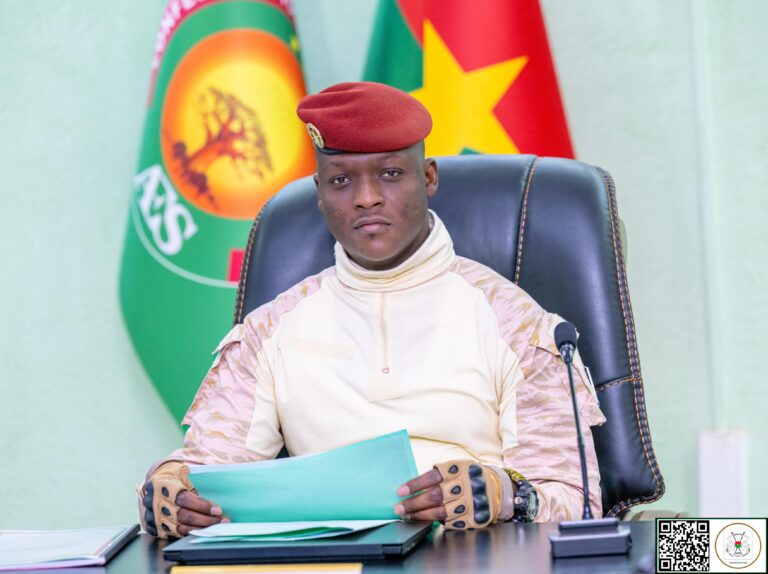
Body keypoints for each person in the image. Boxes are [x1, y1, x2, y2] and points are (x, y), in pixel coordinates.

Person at [139, 82, 605, 538]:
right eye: (341, 181)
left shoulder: (514, 322)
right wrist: (173, 491)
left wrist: (506, 496)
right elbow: (206, 476)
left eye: (390, 173)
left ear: (428, 177)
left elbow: (575, 499)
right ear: (320, 192)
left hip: (473, 555)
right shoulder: (270, 329)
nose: (366, 197)